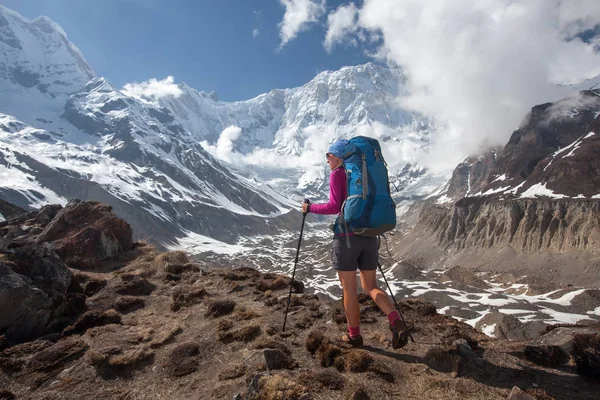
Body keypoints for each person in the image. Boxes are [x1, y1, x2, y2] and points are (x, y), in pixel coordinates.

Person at [302, 139, 410, 348]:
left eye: (329, 155)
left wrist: (310, 208)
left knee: (349, 289)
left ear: (340, 157)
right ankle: (396, 320)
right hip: (370, 235)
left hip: (346, 238)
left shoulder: (338, 174)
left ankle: (354, 336)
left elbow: (334, 206)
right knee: (371, 286)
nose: (327, 160)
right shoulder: (364, 173)